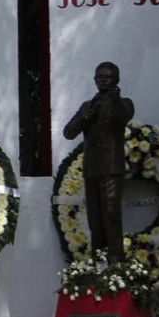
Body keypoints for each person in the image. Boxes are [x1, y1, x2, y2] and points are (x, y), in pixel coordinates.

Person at [63, 61, 135, 265]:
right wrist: (88, 115)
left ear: (116, 80)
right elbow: (69, 132)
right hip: (91, 168)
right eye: (100, 76)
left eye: (108, 77)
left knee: (112, 216)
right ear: (94, 80)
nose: (104, 80)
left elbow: (121, 117)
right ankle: (100, 264)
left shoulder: (125, 103)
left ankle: (116, 263)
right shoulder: (88, 105)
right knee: (95, 220)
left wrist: (113, 99)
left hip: (112, 168)